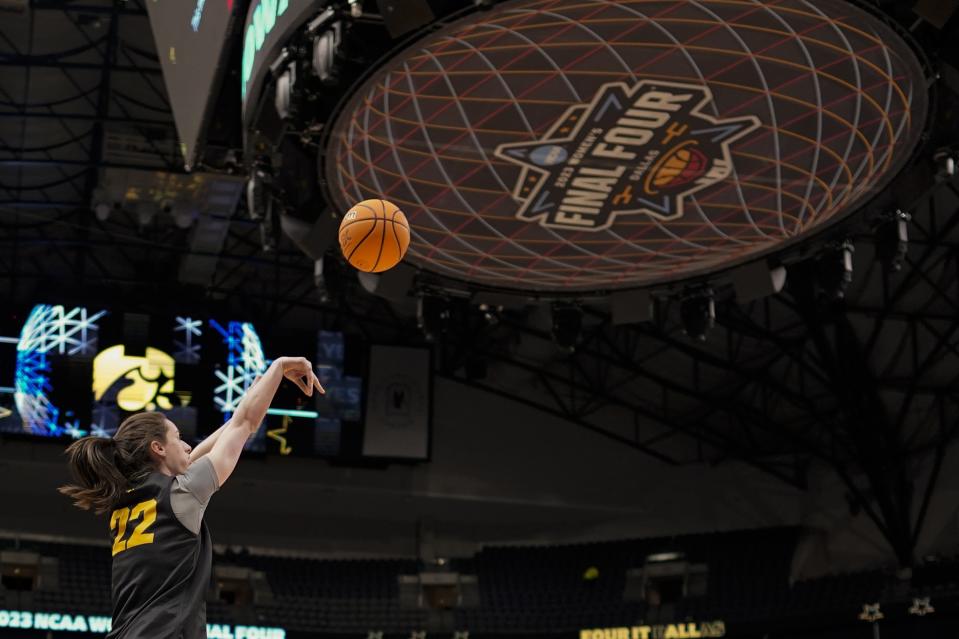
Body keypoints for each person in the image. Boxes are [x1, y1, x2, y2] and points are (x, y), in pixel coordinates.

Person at [59, 356, 324, 638]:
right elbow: (244, 424)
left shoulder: (130, 499)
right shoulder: (181, 493)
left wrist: (258, 395)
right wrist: (279, 366)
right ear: (158, 448)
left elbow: (229, 430)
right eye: (178, 437)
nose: (187, 445)